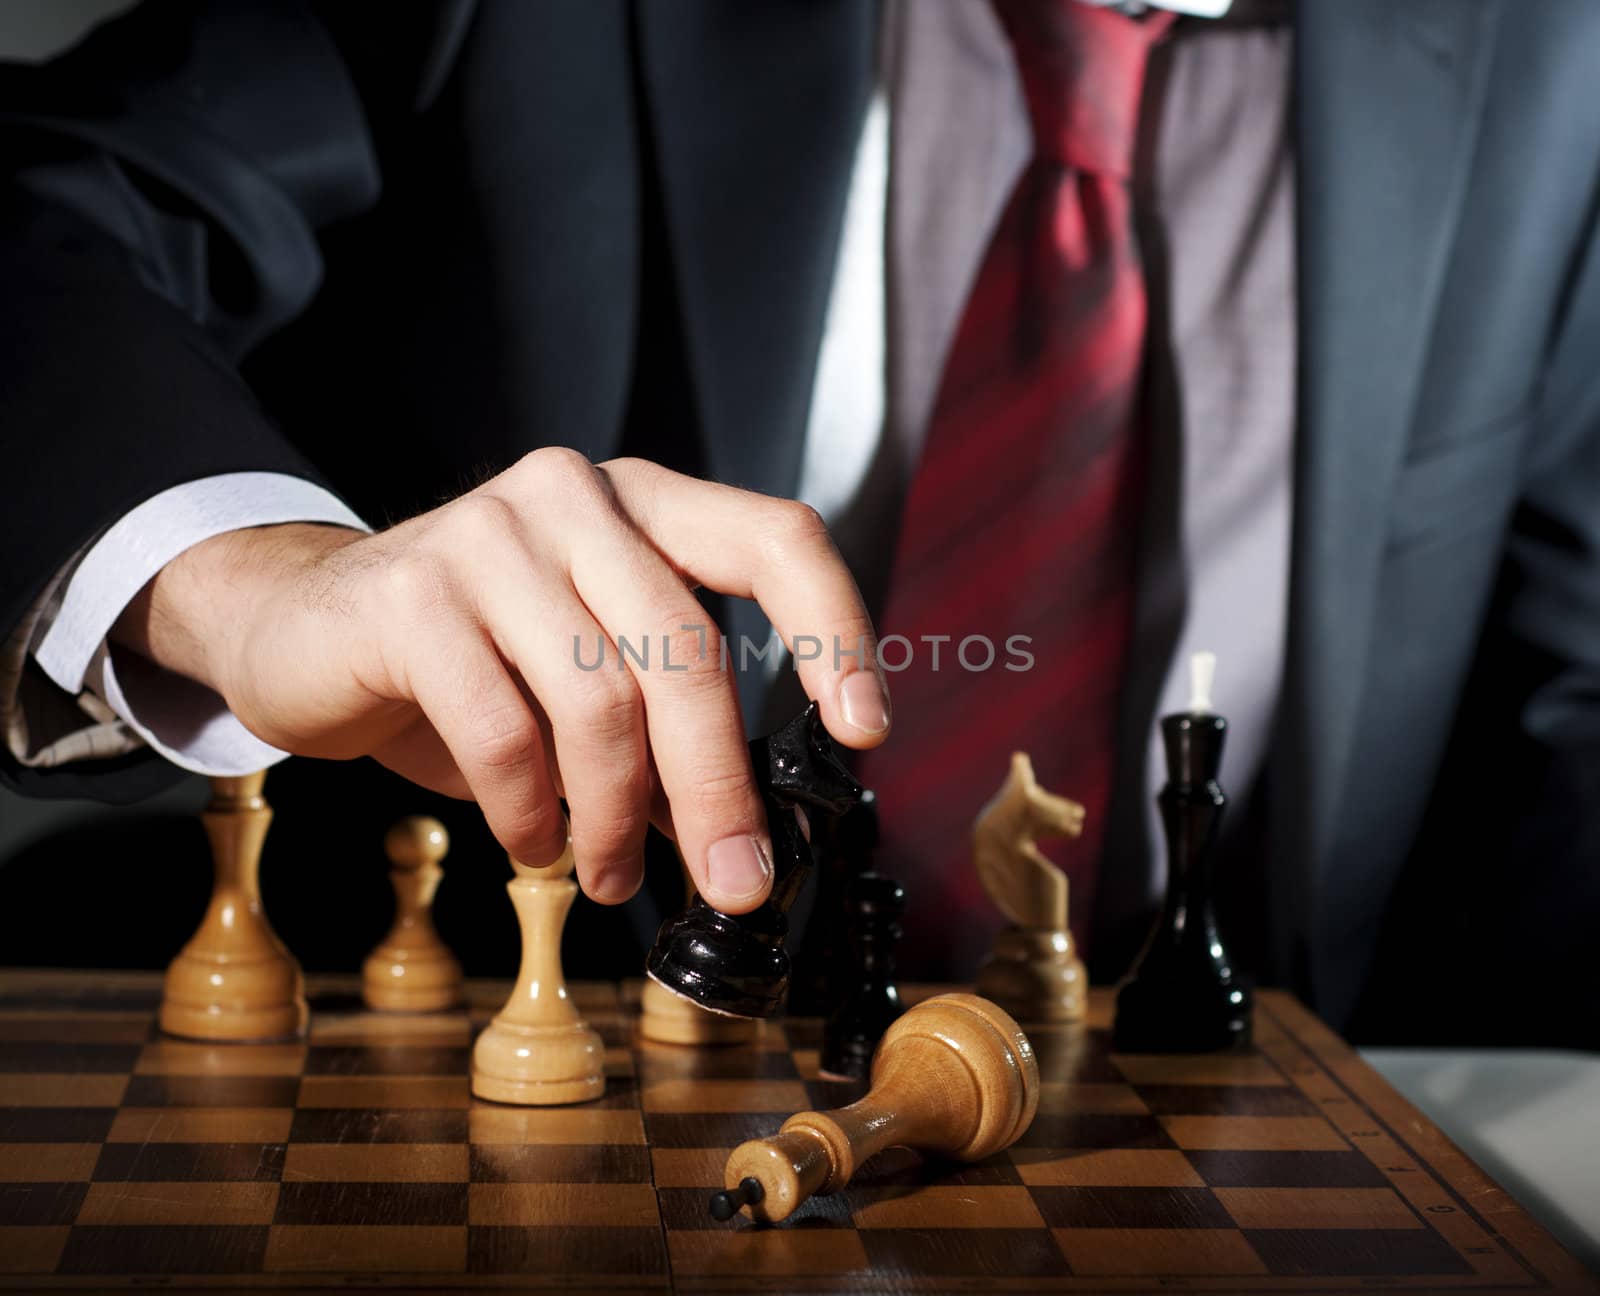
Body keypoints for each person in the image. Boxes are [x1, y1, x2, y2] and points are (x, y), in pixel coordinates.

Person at [3, 0, 1598, 1046]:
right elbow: (44, 205)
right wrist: (250, 578)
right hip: (511, 1065)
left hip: (1255, 1090)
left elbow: (1568, 705)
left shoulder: (1554, 59)